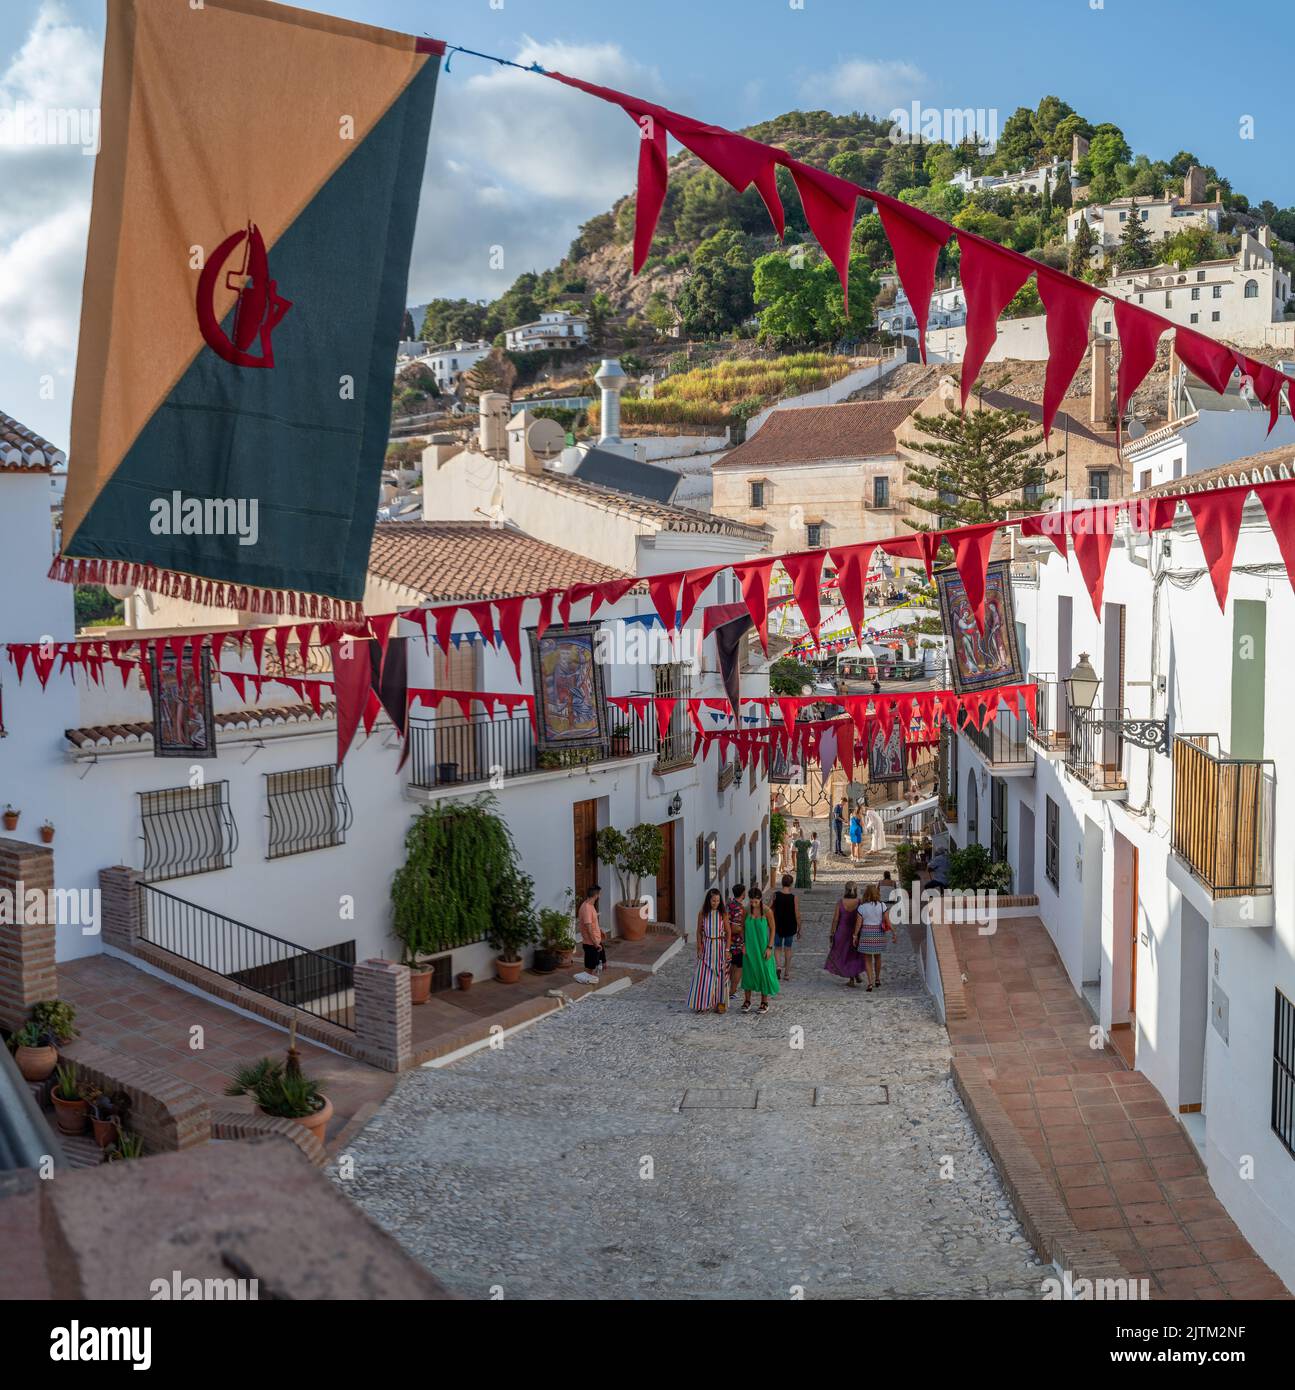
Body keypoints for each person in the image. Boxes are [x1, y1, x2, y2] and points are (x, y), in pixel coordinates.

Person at [687, 887, 730, 1014]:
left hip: (720, 948)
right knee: (703, 978)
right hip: (707, 947)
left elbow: (728, 932)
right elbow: (699, 931)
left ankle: (720, 1005)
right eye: (713, 901)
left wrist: (727, 949)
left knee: (720, 978)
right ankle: (702, 1005)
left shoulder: (723, 914)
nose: (715, 903)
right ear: (708, 900)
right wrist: (699, 947)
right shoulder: (702, 913)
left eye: (717, 901)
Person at [740, 888, 779, 1013]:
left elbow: (773, 929)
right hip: (749, 947)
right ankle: (747, 1001)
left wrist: (770, 947)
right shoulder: (746, 910)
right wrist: (743, 944)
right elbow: (742, 927)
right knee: (748, 972)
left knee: (764, 973)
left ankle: (764, 1002)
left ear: (760, 899)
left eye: (755, 902)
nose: (753, 904)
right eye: (751, 901)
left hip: (763, 947)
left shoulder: (767, 911)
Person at [824, 880, 866, 986]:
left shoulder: (840, 902)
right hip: (855, 932)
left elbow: (835, 919)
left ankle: (852, 979)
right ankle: (855, 974)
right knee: (855, 954)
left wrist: (832, 933)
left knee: (845, 955)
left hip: (842, 932)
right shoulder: (860, 902)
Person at [854, 882, 893, 992]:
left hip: (866, 934)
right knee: (878, 957)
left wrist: (855, 935)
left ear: (866, 894)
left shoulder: (862, 907)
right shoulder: (882, 906)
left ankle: (870, 983)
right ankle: (877, 979)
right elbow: (888, 922)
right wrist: (894, 933)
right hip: (879, 934)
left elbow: (858, 924)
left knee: (867, 959)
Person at [771, 873, 801, 982]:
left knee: (777, 947)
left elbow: (770, 909)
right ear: (791, 884)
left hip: (777, 924)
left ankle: (778, 966)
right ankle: (787, 973)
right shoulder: (794, 898)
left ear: (782, 883)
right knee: (788, 948)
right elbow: (797, 914)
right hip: (790, 925)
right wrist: (799, 927)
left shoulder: (775, 895)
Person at [576, 884, 605, 983]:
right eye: (599, 894)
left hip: (595, 941)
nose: (600, 896)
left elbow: (593, 923)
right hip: (591, 943)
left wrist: (600, 931)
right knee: (589, 969)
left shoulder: (590, 905)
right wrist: (596, 944)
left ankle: (588, 983)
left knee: (597, 965)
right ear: (596, 895)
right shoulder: (586, 908)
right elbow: (588, 928)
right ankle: (584, 986)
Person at [727, 881, 747, 999]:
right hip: (737, 943)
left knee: (731, 967)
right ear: (743, 894)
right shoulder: (739, 909)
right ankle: (732, 992)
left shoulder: (729, 905)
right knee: (738, 967)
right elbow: (735, 927)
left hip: (728, 943)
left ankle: (729, 990)